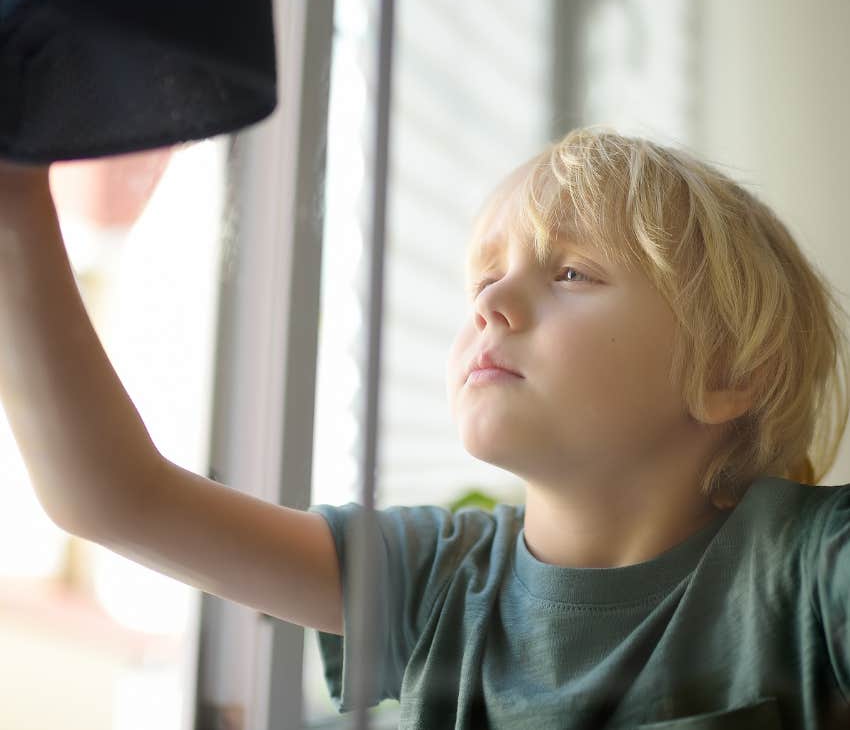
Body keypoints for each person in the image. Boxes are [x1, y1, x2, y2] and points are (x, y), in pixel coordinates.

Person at [0, 126, 848, 729]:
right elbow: (115, 496)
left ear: (729, 375)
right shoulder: (438, 581)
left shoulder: (810, 571)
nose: (490, 303)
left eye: (573, 273)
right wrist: (14, 194)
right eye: (484, 277)